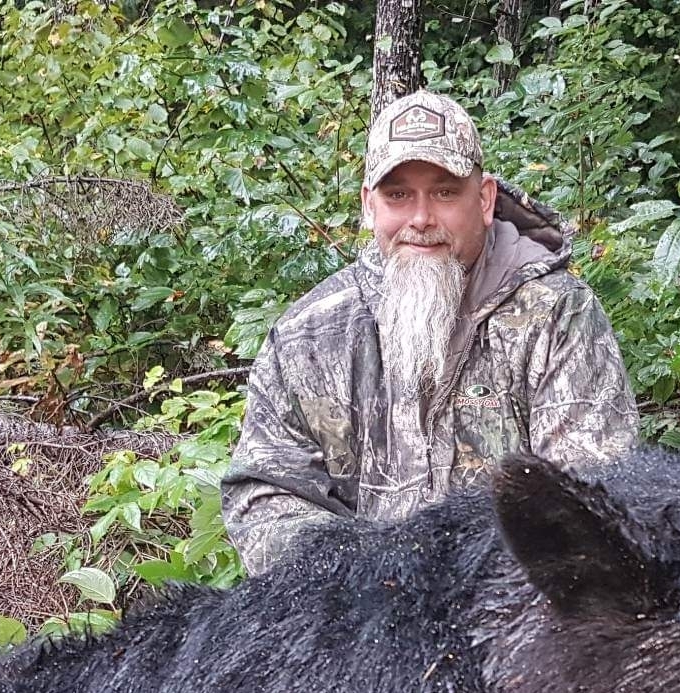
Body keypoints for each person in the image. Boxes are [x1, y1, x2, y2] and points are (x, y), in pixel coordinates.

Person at [221, 90, 640, 574]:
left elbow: (590, 497)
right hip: (358, 600)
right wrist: (359, 575)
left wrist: (458, 589)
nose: (421, 219)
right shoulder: (309, 337)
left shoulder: (556, 315)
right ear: (369, 205)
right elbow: (265, 492)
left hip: (507, 602)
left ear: (484, 199)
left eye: (444, 192)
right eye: (398, 195)